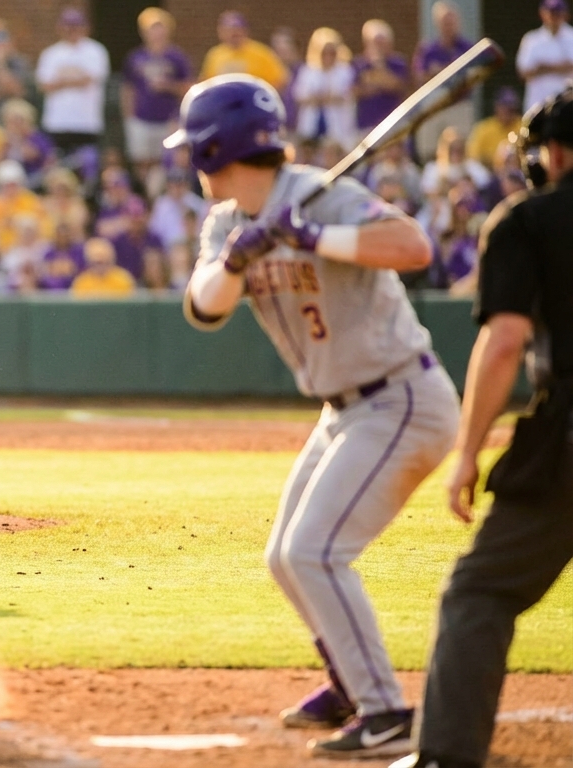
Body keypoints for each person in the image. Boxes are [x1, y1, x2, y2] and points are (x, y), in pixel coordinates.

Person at [173, 74, 460, 760]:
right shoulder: (228, 222)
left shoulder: (323, 196)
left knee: (315, 552)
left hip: (402, 397)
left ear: (217, 149)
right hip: (343, 409)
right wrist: (238, 260)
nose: (191, 162)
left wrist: (314, 236)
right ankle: (348, 682)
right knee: (284, 556)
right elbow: (204, 307)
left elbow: (413, 247)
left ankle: (386, 713)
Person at [388, 85, 573, 768]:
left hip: (566, 439)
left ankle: (445, 755)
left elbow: (504, 344)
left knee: (481, 591)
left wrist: (467, 453)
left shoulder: (527, 220)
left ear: (557, 154)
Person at [122, 8, 193, 183]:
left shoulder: (177, 57)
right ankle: (147, 195)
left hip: (168, 120)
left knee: (166, 161)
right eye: (152, 29)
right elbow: (128, 89)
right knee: (142, 161)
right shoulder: (136, 57)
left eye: (160, 28)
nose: (156, 33)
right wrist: (129, 116)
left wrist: (168, 86)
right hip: (141, 119)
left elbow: (189, 88)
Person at [34, 8, 110, 162]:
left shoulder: (95, 51)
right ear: (60, 28)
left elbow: (89, 80)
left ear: (85, 28)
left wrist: (61, 81)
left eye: (76, 26)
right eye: (68, 26)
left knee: (87, 164)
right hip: (57, 122)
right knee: (58, 166)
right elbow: (44, 86)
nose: (72, 30)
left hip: (86, 122)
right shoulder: (51, 53)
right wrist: (75, 79)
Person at [412, 2, 475, 162]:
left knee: (460, 149)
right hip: (436, 106)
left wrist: (440, 71)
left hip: (458, 104)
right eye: (445, 23)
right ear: (438, 24)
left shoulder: (467, 48)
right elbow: (420, 77)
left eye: (451, 22)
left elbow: (472, 77)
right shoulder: (428, 50)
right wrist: (447, 72)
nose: (449, 26)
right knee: (430, 151)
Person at [293, 28, 356, 150]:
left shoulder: (345, 71)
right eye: (324, 52)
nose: (328, 56)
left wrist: (325, 98)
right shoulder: (308, 71)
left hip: (337, 124)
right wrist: (321, 98)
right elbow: (299, 96)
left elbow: (348, 95)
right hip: (312, 123)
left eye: (331, 52)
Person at [199, 11, 288, 90]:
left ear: (245, 31)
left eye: (237, 30)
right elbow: (206, 82)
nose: (233, 34)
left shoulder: (261, 52)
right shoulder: (215, 54)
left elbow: (281, 80)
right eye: (228, 30)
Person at [353, 20, 410, 136]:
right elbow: (355, 91)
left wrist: (378, 69)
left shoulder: (398, 63)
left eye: (381, 43)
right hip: (366, 124)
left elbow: (398, 86)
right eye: (375, 43)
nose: (378, 47)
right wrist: (382, 82)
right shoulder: (359, 64)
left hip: (393, 123)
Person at [518, 0, 573, 112]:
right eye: (550, 13)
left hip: (567, 105)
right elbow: (524, 73)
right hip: (537, 104)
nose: (553, 17)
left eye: (557, 13)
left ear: (566, 14)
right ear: (542, 14)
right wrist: (562, 67)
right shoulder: (531, 39)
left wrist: (542, 67)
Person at [466, 87, 523, 169]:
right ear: (496, 107)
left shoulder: (522, 125)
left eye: (511, 109)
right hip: (488, 172)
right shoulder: (484, 127)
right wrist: (493, 160)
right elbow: (473, 155)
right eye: (504, 107)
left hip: (516, 170)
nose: (507, 112)